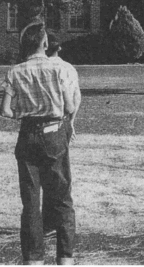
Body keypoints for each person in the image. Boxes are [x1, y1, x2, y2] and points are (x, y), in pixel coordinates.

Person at [0, 22, 77, 266]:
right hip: (54, 132)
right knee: (62, 197)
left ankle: (33, 259)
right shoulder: (58, 69)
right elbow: (70, 106)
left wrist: (23, 114)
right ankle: (65, 257)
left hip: (27, 135)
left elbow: (4, 110)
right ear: (45, 43)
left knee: (30, 202)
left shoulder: (15, 71)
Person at [42, 33, 81, 240]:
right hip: (61, 122)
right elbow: (75, 98)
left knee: (42, 176)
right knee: (61, 176)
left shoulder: (37, 67)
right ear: (60, 48)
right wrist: (71, 122)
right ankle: (62, 225)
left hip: (40, 124)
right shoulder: (67, 68)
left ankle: (47, 222)